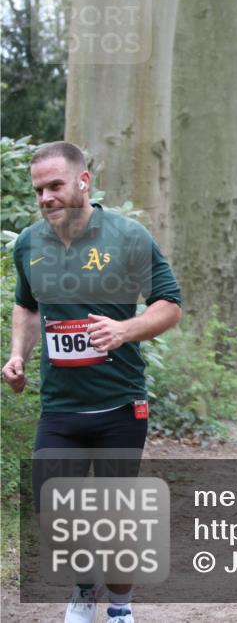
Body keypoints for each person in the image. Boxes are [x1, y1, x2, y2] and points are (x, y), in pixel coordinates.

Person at [2, 141, 182, 623]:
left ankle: (120, 606)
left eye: (55, 185)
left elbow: (169, 305)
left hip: (120, 404)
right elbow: (27, 306)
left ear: (84, 181)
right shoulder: (29, 244)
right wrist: (18, 355)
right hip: (60, 408)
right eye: (39, 189)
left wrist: (125, 330)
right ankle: (85, 587)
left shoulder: (127, 236)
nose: (46, 197)